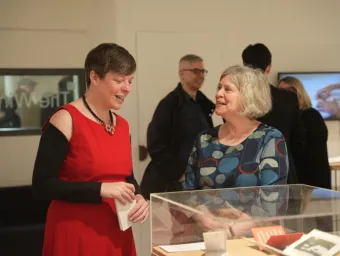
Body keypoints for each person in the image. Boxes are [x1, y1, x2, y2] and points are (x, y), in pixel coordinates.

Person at [32, 43, 149, 256]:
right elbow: (42, 186)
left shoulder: (123, 125)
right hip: (75, 232)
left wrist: (139, 196)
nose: (127, 88)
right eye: (119, 80)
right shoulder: (65, 119)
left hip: (116, 231)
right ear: (94, 77)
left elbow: (127, 178)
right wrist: (100, 189)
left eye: (130, 81)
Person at [182, 65, 288, 191]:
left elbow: (272, 197)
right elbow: (188, 192)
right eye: (219, 88)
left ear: (248, 96)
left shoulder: (270, 139)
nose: (218, 94)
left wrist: (228, 212)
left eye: (227, 89)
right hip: (202, 212)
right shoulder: (205, 139)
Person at [140, 54, 215, 199]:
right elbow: (156, 145)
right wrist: (177, 175)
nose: (200, 75)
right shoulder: (169, 105)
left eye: (202, 71)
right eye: (195, 71)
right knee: (175, 222)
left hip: (197, 181)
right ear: (181, 74)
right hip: (172, 185)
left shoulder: (204, 104)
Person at [242, 43, 305, 184]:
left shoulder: (237, 99)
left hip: (248, 174)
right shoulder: (288, 99)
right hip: (284, 171)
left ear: (244, 67)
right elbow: (298, 140)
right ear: (269, 67)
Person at [279, 76, 331, 189]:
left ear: (299, 93)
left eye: (289, 91)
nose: (284, 95)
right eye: (281, 91)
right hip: (297, 180)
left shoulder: (311, 116)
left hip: (312, 180)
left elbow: (310, 150)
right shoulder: (289, 117)